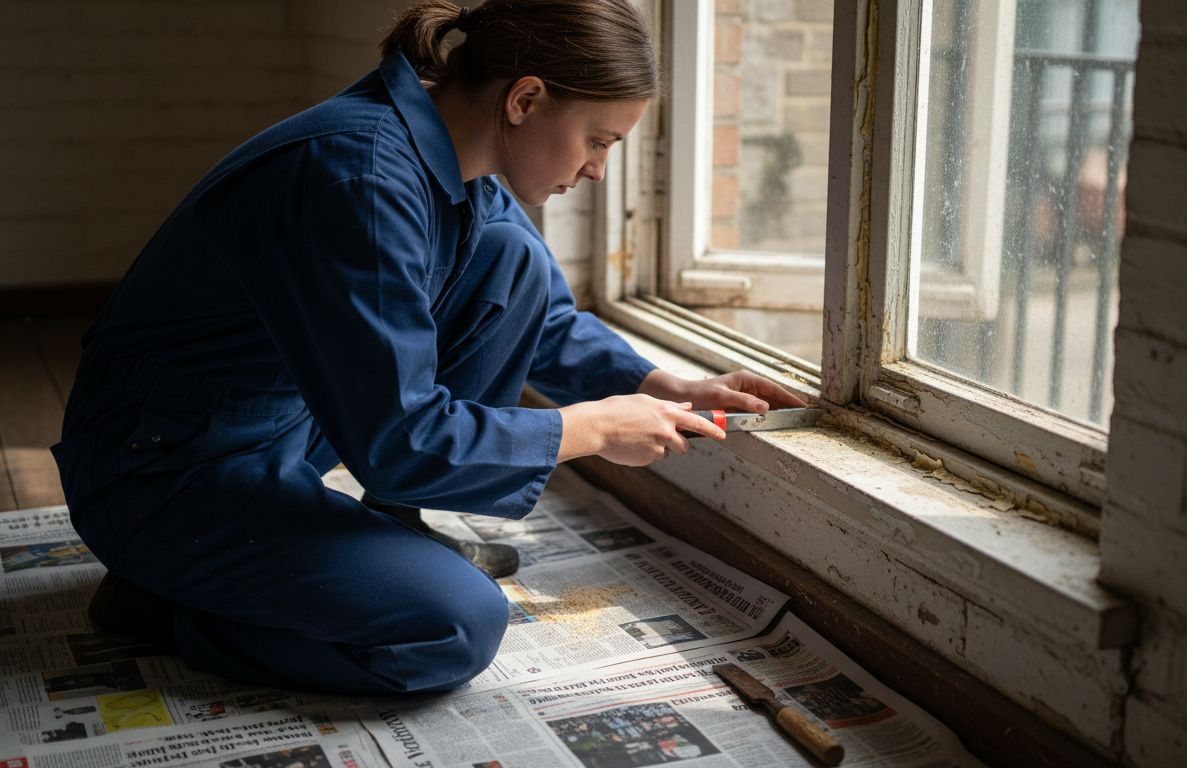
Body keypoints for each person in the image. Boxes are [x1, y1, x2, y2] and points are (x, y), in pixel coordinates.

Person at [49, 0, 803, 696]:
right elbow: (399, 437)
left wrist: (666, 383)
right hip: (159, 470)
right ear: (525, 100)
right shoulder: (362, 178)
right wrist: (597, 429)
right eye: (599, 141)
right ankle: (165, 608)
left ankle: (379, 534)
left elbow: (534, 315)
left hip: (268, 425)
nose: (598, 170)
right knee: (452, 627)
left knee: (508, 255)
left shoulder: (448, 150)